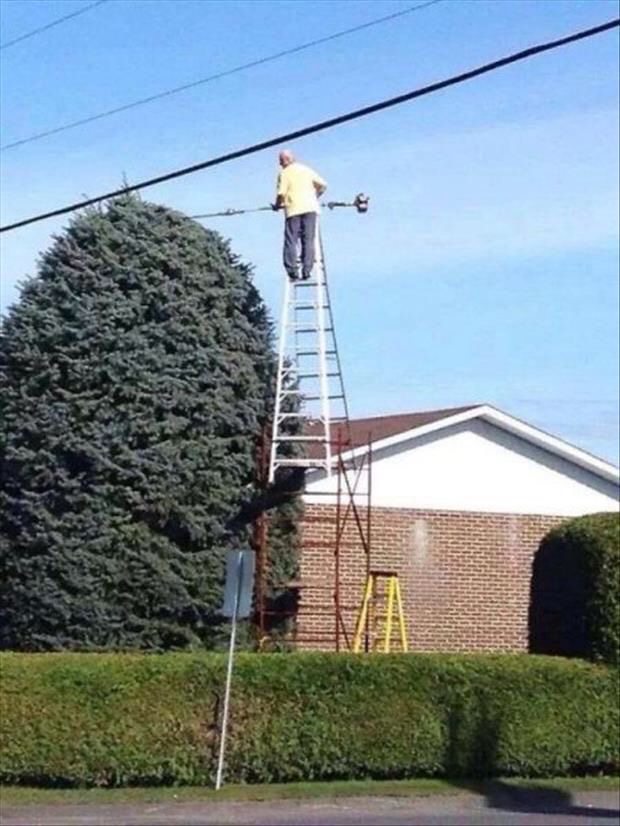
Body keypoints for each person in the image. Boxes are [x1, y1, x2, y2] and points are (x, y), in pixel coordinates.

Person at [272, 150, 327, 280]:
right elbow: (323, 185)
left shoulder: (285, 173)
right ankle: (307, 269)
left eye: (280, 161)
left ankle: (292, 270)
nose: (280, 164)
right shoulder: (305, 169)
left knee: (291, 240)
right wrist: (315, 197)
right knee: (308, 239)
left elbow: (281, 193)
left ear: (285, 160)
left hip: (294, 209)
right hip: (311, 208)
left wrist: (277, 205)